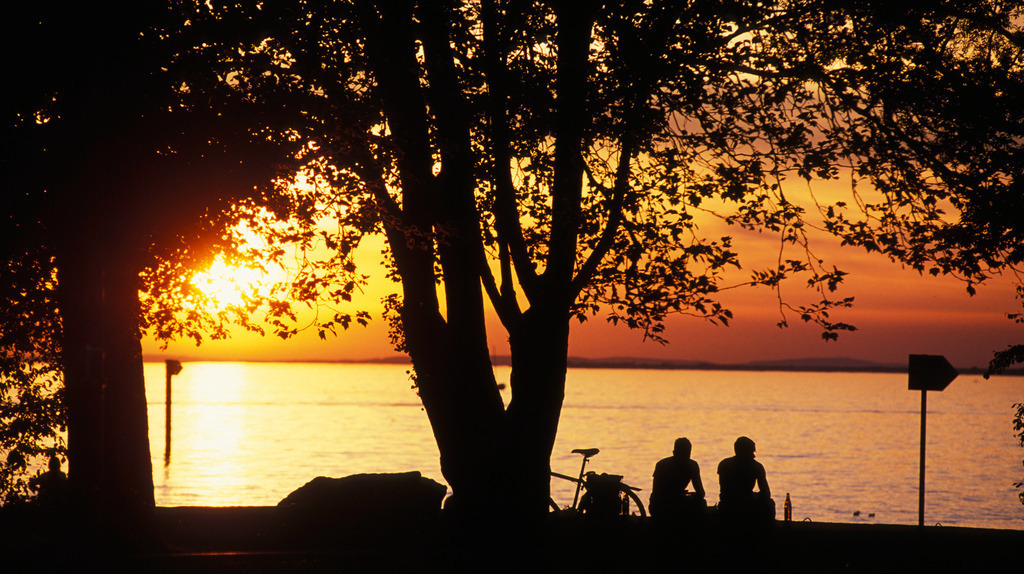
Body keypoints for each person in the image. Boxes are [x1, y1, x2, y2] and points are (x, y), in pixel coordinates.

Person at [717, 436, 775, 521]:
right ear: (744, 452)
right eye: (752, 452)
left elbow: (724, 490)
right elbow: (766, 494)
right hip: (742, 504)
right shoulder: (756, 467)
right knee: (770, 503)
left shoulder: (724, 464)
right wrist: (754, 496)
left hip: (727, 503)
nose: (754, 456)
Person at [649, 437, 706, 519]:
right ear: (674, 453)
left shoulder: (692, 466)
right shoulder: (662, 466)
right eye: (682, 454)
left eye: (686, 454)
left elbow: (701, 493)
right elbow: (657, 493)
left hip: (670, 503)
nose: (683, 458)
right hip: (662, 505)